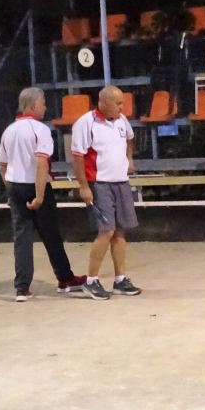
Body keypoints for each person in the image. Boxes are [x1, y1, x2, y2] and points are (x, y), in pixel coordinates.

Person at [0, 87, 86, 302]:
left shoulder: (9, 130)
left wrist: (9, 188)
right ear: (33, 106)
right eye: (43, 103)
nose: (45, 107)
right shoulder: (40, 130)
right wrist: (39, 195)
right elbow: (41, 163)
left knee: (22, 238)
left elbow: (2, 164)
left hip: (15, 185)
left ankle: (22, 288)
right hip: (36, 185)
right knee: (51, 234)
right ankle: (65, 278)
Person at [70, 85, 142, 300]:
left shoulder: (122, 120)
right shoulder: (86, 123)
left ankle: (120, 279)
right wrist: (84, 186)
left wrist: (129, 159)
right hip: (99, 184)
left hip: (121, 182)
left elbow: (129, 138)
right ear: (103, 102)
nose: (122, 107)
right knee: (106, 231)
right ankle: (91, 281)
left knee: (120, 231)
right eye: (118, 103)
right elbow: (77, 157)